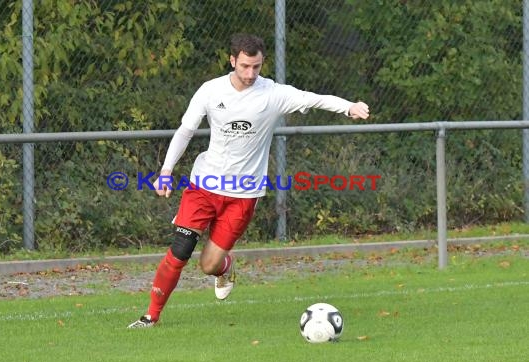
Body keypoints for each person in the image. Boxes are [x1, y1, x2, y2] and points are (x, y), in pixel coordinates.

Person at [127, 33, 369, 328]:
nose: (250, 73)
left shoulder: (273, 93)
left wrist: (348, 106)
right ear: (232, 61)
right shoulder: (210, 91)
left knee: (209, 265)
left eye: (256, 67)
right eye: (244, 66)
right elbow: (186, 130)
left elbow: (313, 98)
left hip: (243, 194)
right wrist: (166, 171)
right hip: (203, 185)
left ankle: (225, 268)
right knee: (180, 249)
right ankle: (151, 316)